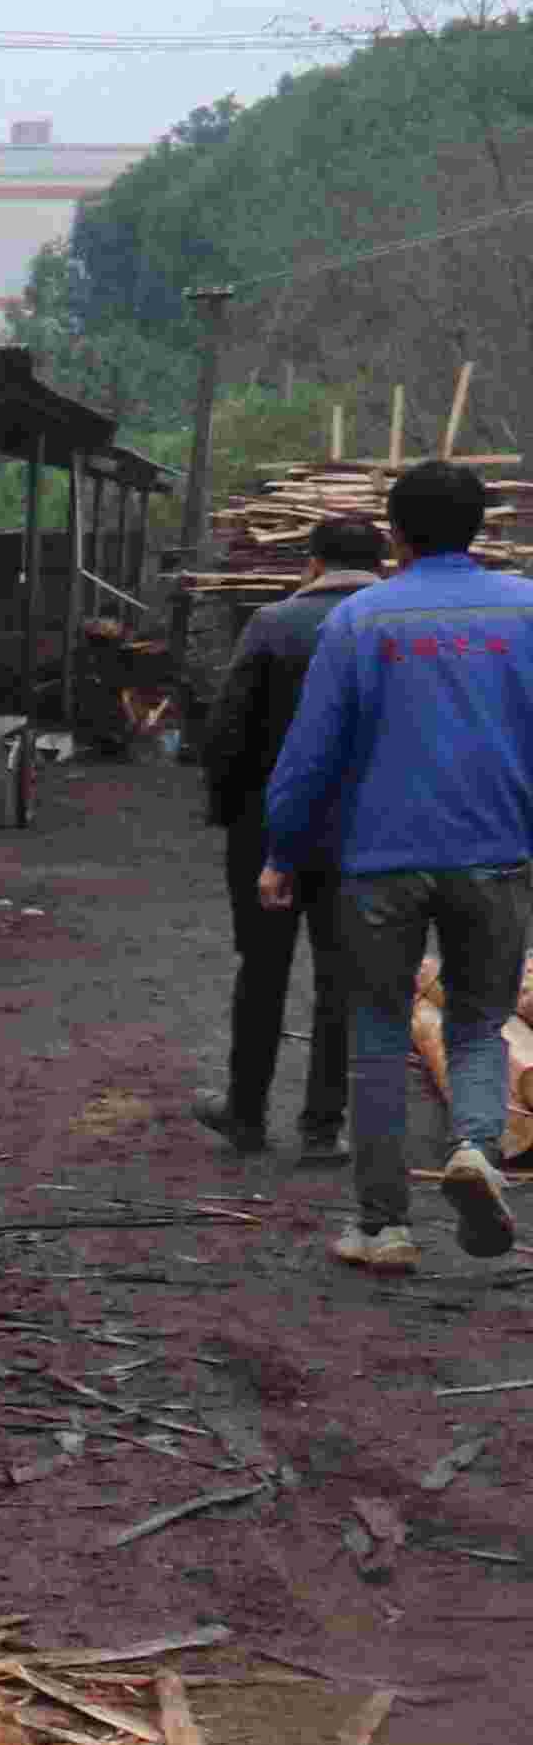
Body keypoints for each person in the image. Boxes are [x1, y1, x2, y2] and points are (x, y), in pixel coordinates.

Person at [256, 456, 533, 1273]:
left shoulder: (362, 620)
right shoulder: (526, 610)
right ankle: (479, 1146)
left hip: (379, 863)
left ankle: (383, 1227)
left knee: (377, 1033)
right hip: (495, 853)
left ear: (396, 533)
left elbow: (312, 754)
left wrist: (283, 850)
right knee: (480, 1023)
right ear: (479, 526)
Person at [202, 516, 387, 1160]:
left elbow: (228, 729)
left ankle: (247, 1116)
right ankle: (322, 1127)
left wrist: (227, 810)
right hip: (365, 832)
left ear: (312, 562)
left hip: (268, 824)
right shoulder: (393, 627)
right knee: (342, 979)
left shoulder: (274, 624)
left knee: (262, 969)